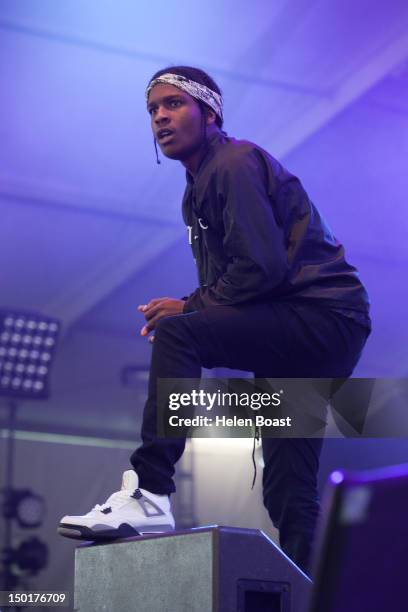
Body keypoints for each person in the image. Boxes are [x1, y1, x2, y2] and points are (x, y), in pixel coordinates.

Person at [58, 66, 371, 574]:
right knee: (288, 489)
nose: (160, 115)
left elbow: (261, 268)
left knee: (181, 334)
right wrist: (195, 304)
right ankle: (312, 593)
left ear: (209, 113)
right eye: (153, 109)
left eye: (173, 104)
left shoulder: (234, 162)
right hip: (304, 327)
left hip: (320, 315)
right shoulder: (196, 191)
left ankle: (152, 490)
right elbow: (231, 288)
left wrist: (188, 307)